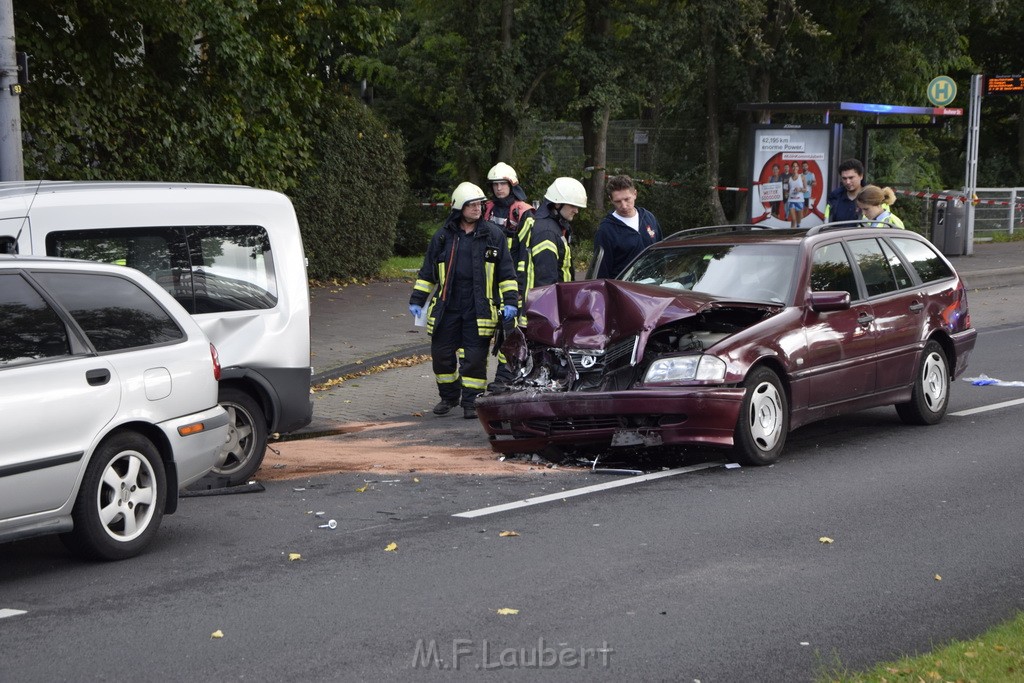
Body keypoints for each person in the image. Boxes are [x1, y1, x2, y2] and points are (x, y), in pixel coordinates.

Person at [409, 182, 519, 419]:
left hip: (478, 307)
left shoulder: (493, 235)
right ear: (459, 207)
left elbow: (507, 273)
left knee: (475, 359)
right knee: (441, 355)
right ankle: (449, 396)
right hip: (448, 306)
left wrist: (510, 301)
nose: (477, 209)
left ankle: (471, 402)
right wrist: (418, 299)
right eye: (472, 205)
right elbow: (428, 271)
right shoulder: (443, 236)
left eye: (480, 204)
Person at [482, 162, 535, 392]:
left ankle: (505, 377)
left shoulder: (523, 212)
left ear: (511, 185)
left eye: (502, 184)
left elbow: (526, 252)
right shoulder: (487, 209)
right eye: (495, 184)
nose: (498, 188)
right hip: (488, 282)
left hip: (512, 282)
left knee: (510, 330)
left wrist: (520, 288)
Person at [591, 175, 662, 279]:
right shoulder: (606, 230)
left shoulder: (648, 218)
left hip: (653, 286)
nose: (624, 206)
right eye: (618, 201)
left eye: (627, 199)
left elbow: (661, 253)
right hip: (624, 291)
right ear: (611, 200)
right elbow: (602, 273)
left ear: (635, 194)